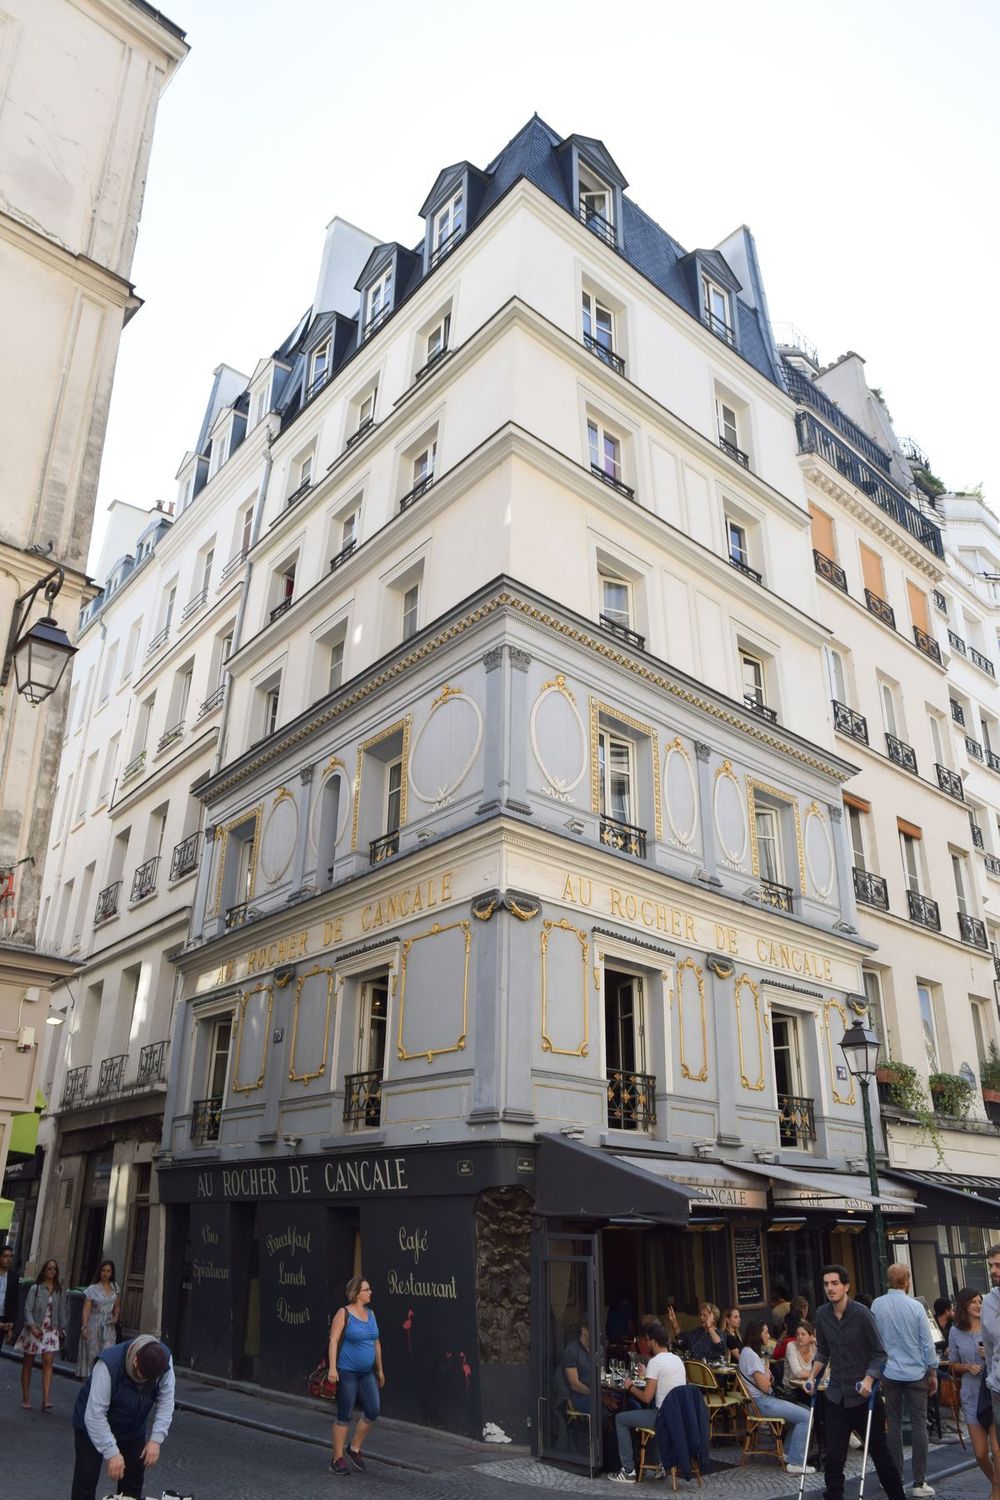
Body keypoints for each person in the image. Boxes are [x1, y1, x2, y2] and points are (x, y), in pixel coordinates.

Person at [805, 1264, 907, 1500]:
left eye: (835, 1283)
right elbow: (822, 1351)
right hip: (835, 1396)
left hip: (863, 1397)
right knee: (833, 1457)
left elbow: (880, 1353)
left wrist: (869, 1379)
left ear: (846, 1286)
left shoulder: (862, 1314)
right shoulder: (821, 1315)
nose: (830, 1288)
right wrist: (811, 1377)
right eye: (826, 1284)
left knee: (880, 1454)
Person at [71, 1332, 173, 1500]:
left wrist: (156, 1439)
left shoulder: (164, 1362)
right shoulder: (107, 1365)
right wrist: (111, 1452)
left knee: (132, 1484)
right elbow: (95, 1415)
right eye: (140, 1377)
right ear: (134, 1361)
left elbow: (166, 1400)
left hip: (133, 1427)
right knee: (85, 1483)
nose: (142, 1383)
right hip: (90, 1427)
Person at [872, 1262, 938, 1498]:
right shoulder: (915, 1307)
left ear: (889, 1281)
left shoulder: (877, 1305)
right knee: (920, 1425)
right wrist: (932, 1371)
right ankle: (919, 1482)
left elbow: (875, 1339)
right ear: (907, 1281)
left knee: (894, 1425)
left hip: (889, 1372)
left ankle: (894, 1476)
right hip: (915, 1372)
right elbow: (926, 1343)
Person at [608, 1320, 686, 1484]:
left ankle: (628, 1471)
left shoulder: (655, 1362)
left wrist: (629, 1386)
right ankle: (661, 1463)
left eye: (648, 1340)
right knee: (649, 1412)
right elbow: (665, 1385)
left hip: (662, 1417)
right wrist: (647, 1375)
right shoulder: (677, 1360)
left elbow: (646, 1397)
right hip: (678, 1416)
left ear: (654, 1342)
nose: (647, 1343)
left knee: (620, 1419)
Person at [738, 1319, 815, 1475]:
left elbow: (767, 1382)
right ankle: (796, 1462)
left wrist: (768, 1376)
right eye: (766, 1332)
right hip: (762, 1403)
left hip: (762, 1401)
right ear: (757, 1335)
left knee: (805, 1410)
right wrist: (767, 1375)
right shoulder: (750, 1355)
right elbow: (765, 1386)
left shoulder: (750, 1353)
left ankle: (787, 1452)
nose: (768, 1335)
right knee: (807, 1417)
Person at [326, 1274, 385, 1477]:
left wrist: (380, 1369)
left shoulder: (371, 1314)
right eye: (366, 1289)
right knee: (345, 1414)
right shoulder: (344, 1313)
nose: (370, 1292)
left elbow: (376, 1343)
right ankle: (337, 1458)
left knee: (373, 1410)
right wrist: (333, 1369)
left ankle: (355, 1448)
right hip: (347, 1372)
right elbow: (333, 1341)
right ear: (356, 1293)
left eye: (369, 1289)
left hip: (366, 1373)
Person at [948, 1286, 996, 1485]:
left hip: (993, 1392)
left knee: (997, 1450)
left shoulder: (990, 1325)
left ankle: (997, 1493)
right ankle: (996, 1483)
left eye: (980, 1301)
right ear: (964, 1304)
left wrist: (990, 1354)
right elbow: (952, 1365)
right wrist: (967, 1366)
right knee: (980, 1453)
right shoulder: (955, 1331)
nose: (978, 1305)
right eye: (973, 1301)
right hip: (970, 1396)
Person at [15, 1257, 67, 1410]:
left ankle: (46, 1398)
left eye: (54, 1269)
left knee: (48, 1363)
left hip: (50, 1330)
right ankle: (26, 1397)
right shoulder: (35, 1288)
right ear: (44, 1270)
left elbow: (61, 1310)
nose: (52, 1271)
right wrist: (32, 1326)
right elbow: (27, 1308)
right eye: (49, 1268)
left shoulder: (58, 1290)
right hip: (35, 1328)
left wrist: (62, 1328)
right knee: (28, 1363)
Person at [978, 1244, 1000, 1500]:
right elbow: (990, 1347)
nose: (993, 1270)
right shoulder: (989, 1302)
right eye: (992, 1265)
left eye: (998, 1265)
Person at [77, 1259, 121, 1377]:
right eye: (103, 1270)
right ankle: (89, 1383)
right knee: (92, 1355)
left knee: (108, 1356)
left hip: (108, 1326)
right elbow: (86, 1310)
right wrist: (84, 1327)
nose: (105, 1273)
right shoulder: (92, 1289)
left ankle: (102, 1383)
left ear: (112, 1273)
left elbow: (117, 1305)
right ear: (99, 1271)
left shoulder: (115, 1287)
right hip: (94, 1324)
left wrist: (116, 1317)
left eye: (108, 1271)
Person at [0, 1243, 18, 1343]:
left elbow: (14, 1303)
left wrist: (11, 1324)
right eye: (5, 1256)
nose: (8, 1259)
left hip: (3, 1319)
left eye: (10, 1256)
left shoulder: (14, 1277)